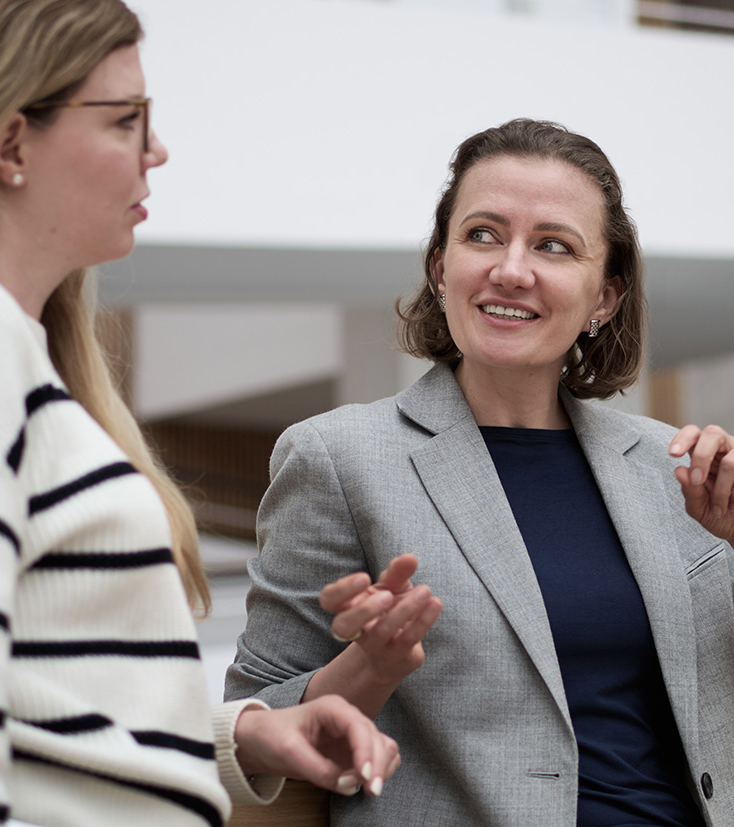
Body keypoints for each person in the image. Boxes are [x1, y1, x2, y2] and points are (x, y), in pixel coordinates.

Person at [0, 1, 401, 825]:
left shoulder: (17, 350)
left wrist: (247, 733)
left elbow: (55, 701)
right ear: (10, 144)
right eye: (125, 121)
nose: (157, 150)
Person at [225, 118, 734, 826]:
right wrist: (367, 666)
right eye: (483, 234)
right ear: (441, 268)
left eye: (553, 245)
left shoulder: (674, 469)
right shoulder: (338, 459)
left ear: (604, 298)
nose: (511, 268)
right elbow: (252, 720)